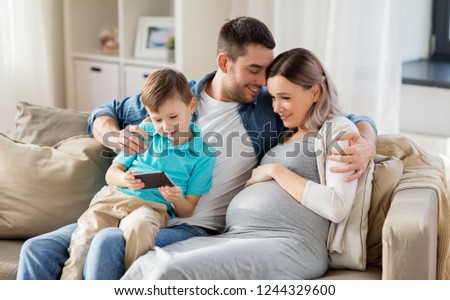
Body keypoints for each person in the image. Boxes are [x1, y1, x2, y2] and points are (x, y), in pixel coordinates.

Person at [17, 16, 376, 280]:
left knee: (109, 242)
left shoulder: (267, 108)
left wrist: (365, 143)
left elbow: (335, 111)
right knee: (37, 249)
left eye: (266, 70)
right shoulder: (175, 95)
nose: (263, 81)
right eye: (254, 69)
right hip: (130, 203)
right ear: (224, 63)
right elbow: (106, 111)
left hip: (190, 224)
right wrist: (113, 137)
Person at [122, 47, 369, 280]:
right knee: (148, 264)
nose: (275, 107)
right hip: (236, 235)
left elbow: (337, 206)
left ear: (315, 92)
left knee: (168, 271)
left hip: (289, 242)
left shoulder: (336, 130)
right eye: (272, 97)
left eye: (285, 98)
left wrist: (276, 171)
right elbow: (119, 108)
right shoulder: (281, 132)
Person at [59, 68, 216, 279]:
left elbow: (187, 211)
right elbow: (112, 173)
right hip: (114, 199)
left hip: (152, 208)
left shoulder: (203, 154)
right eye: (157, 119)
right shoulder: (145, 132)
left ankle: (131, 282)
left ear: (192, 106)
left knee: (140, 227)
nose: (166, 126)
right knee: (84, 239)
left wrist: (177, 198)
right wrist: (124, 179)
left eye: (173, 117)